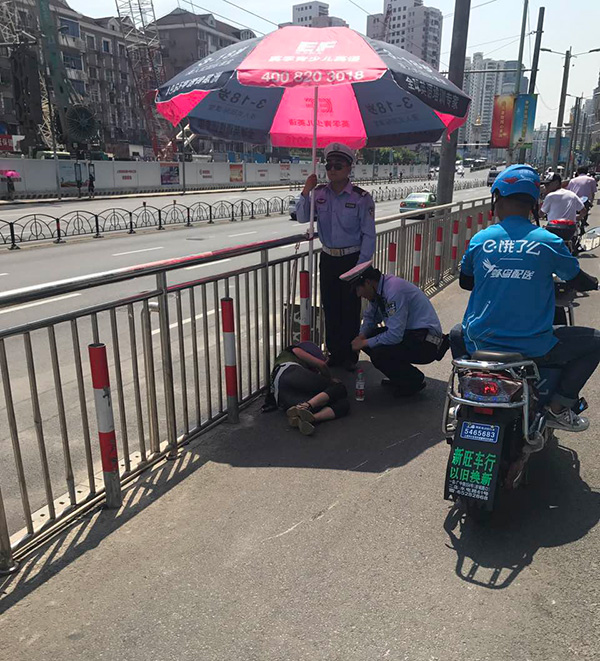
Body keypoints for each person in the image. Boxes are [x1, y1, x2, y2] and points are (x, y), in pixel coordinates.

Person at [450, 164, 600, 432]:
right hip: (533, 347)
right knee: (596, 342)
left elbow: (466, 282)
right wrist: (594, 282)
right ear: (534, 204)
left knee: (456, 332)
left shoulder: (481, 239)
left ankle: (468, 391)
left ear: (497, 200)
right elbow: (575, 278)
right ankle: (558, 408)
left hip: (480, 341)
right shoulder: (547, 241)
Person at [296, 143, 376, 371]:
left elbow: (369, 235)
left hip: (352, 259)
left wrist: (362, 267)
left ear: (349, 168)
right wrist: (306, 190)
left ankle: (349, 356)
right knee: (330, 308)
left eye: (338, 166)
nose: (332, 170)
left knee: (349, 309)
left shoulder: (362, 198)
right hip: (329, 258)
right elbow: (302, 217)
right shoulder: (319, 193)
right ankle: (333, 352)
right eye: (329, 165)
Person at [342, 261, 448, 396]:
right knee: (370, 339)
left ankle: (413, 380)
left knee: (379, 353)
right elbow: (370, 317)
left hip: (426, 342)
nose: (358, 295)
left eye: (358, 289)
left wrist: (363, 343)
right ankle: (400, 377)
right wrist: (361, 336)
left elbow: (394, 335)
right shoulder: (379, 290)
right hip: (412, 335)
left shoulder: (393, 291)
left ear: (368, 282)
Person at [268, 341, 349, 436]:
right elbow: (321, 365)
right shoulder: (293, 349)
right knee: (339, 388)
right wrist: (329, 379)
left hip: (281, 397)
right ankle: (307, 405)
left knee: (343, 404)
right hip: (288, 371)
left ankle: (310, 418)